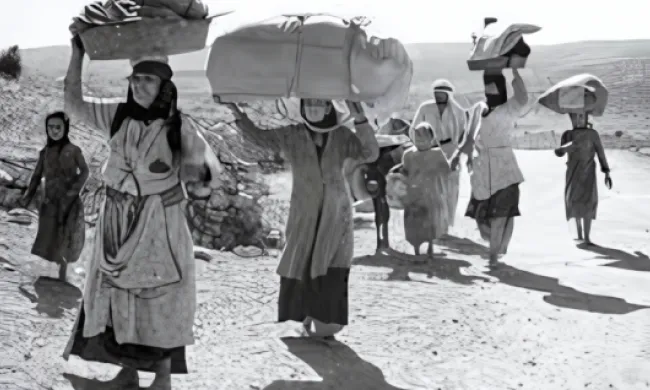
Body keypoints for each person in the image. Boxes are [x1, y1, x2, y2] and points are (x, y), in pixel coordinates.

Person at [61, 36, 222, 390]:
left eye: (147, 79)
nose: (138, 85)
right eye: (135, 78)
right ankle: (127, 372)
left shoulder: (180, 126)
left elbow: (207, 174)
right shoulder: (117, 115)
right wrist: (77, 55)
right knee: (114, 293)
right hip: (115, 219)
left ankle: (162, 377)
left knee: (157, 296)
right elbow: (72, 102)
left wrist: (198, 174)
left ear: (165, 85)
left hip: (157, 222)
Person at [223, 98, 379, 338]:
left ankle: (326, 324)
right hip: (304, 208)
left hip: (335, 212)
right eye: (308, 104)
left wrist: (361, 119)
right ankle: (304, 319)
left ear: (329, 108)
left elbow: (369, 152)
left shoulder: (341, 135)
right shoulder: (292, 134)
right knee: (302, 258)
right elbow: (259, 138)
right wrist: (238, 113)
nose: (313, 109)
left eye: (318, 104)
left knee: (331, 260)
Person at [464, 65, 528, 267]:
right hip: (481, 167)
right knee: (481, 217)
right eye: (487, 86)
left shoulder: (509, 108)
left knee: (501, 213)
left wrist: (515, 72)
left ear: (501, 87)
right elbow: (470, 134)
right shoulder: (478, 109)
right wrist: (466, 154)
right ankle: (496, 246)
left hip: (505, 167)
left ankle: (492, 256)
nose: (490, 90)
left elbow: (522, 97)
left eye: (494, 86)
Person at [19, 111, 89, 283]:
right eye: (50, 127)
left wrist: (72, 192)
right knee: (51, 234)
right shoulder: (45, 152)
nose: (54, 131)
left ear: (65, 128)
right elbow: (36, 176)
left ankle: (63, 274)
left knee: (67, 233)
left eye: (58, 127)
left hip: (69, 202)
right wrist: (27, 198)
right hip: (50, 201)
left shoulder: (73, 150)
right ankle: (55, 273)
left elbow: (85, 172)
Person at [410, 79, 468, 227]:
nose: (438, 97)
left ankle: (448, 222)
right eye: (436, 93)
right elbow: (413, 129)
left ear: (448, 94)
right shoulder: (425, 108)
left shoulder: (458, 111)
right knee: (429, 187)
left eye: (441, 94)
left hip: (450, 151)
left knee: (450, 187)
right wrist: (421, 145)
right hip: (428, 150)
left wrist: (458, 153)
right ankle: (431, 222)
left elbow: (464, 135)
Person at [554, 112, 612, 244]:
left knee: (588, 201)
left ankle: (587, 237)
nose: (578, 120)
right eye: (575, 117)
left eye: (581, 116)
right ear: (571, 119)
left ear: (586, 118)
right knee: (574, 201)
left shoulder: (592, 134)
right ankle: (579, 234)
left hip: (588, 172)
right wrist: (565, 148)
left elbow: (600, 152)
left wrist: (606, 170)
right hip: (573, 172)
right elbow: (558, 153)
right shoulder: (567, 134)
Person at [401, 122, 457, 257]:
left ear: (431, 139)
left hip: (432, 195)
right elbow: (404, 172)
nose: (419, 141)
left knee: (431, 222)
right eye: (417, 137)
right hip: (413, 195)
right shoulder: (408, 154)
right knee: (413, 222)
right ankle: (416, 250)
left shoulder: (437, 154)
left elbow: (447, 171)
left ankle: (431, 247)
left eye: (423, 138)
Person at [363, 135, 411, 253]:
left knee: (381, 212)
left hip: (378, 180)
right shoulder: (380, 157)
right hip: (378, 181)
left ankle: (382, 243)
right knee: (382, 212)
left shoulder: (373, 157)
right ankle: (383, 243)